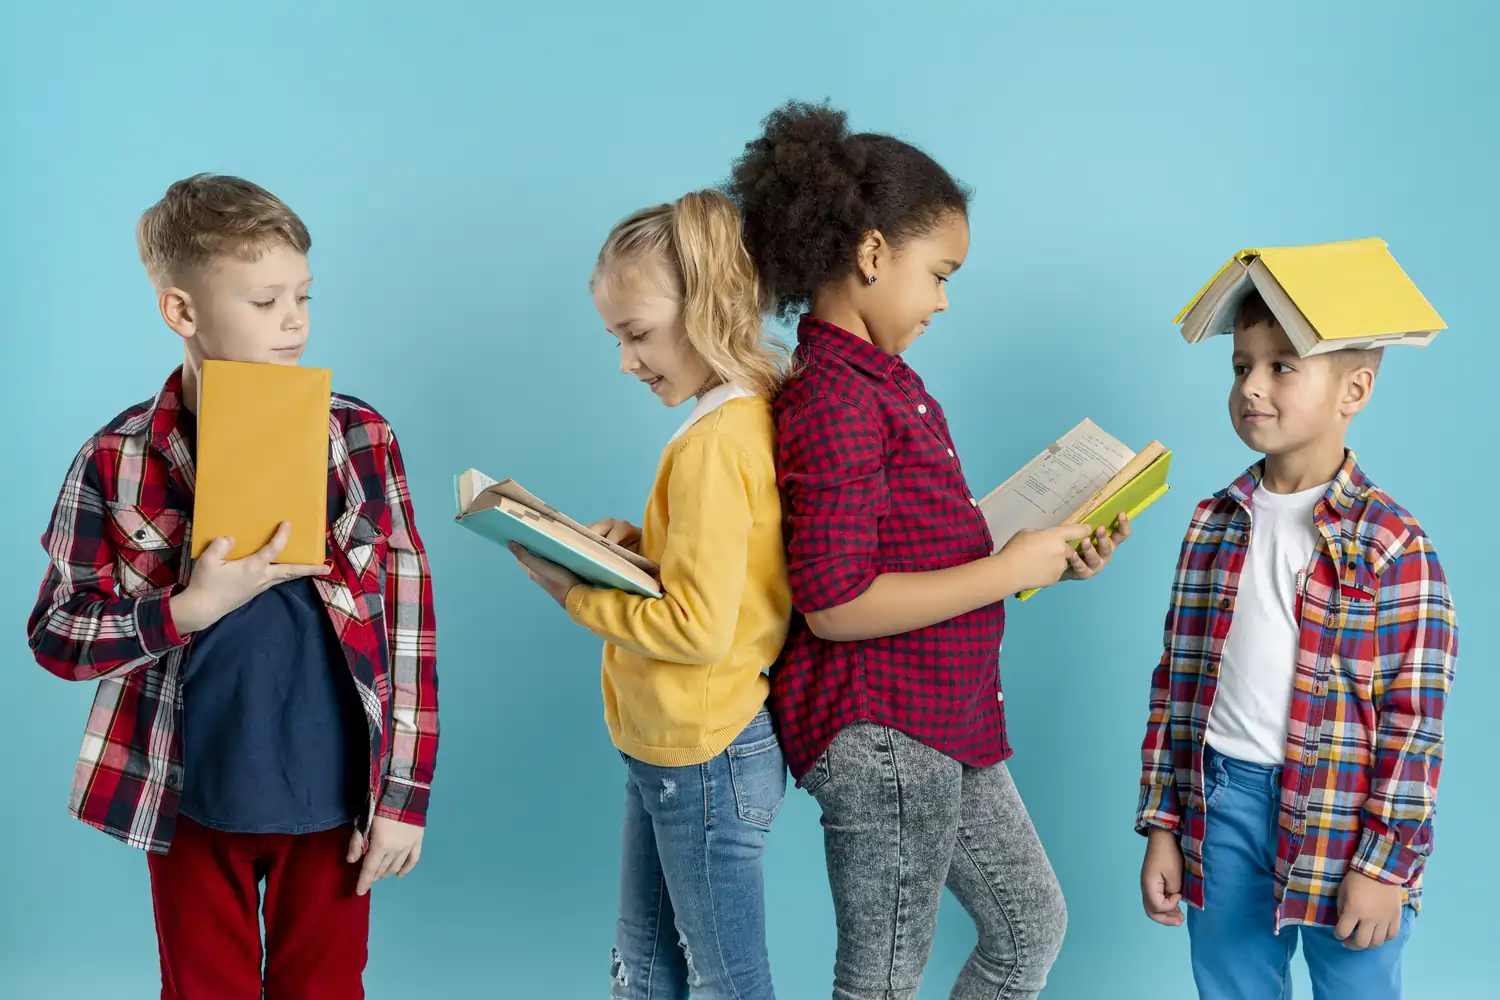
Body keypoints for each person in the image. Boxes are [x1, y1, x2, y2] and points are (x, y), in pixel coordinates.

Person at [728, 101, 1127, 1000]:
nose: (945, 299)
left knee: (1031, 928)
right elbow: (834, 602)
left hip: (947, 716)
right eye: (940, 273)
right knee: (882, 981)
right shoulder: (831, 399)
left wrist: (1046, 550)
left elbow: (914, 539)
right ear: (872, 254)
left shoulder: (885, 384)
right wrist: (1006, 569)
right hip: (885, 731)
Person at [27, 174, 440, 1000]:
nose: (294, 321)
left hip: (331, 802)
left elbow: (409, 628)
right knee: (199, 989)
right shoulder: (115, 458)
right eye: (263, 301)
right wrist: (186, 608)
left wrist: (403, 797)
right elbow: (56, 633)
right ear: (182, 312)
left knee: (324, 989)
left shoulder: (360, 438)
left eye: (302, 296)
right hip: (188, 795)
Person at [510, 189, 792, 1000]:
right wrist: (640, 551)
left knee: (719, 982)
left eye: (637, 335)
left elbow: (699, 629)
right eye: (617, 338)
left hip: (701, 747)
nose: (627, 361)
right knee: (646, 967)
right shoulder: (742, 419)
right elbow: (731, 578)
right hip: (681, 743)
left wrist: (575, 594)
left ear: (707, 307)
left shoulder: (712, 445)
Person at [1136, 290, 1458, 999]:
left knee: (1357, 983)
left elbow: (1415, 722)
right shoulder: (1212, 523)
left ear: (1355, 389)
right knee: (1232, 982)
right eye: (1241, 365)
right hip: (1222, 801)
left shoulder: (1393, 545)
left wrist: (1382, 865)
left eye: (1283, 366)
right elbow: (1176, 681)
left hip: (1342, 817)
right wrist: (1164, 822)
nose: (1251, 384)